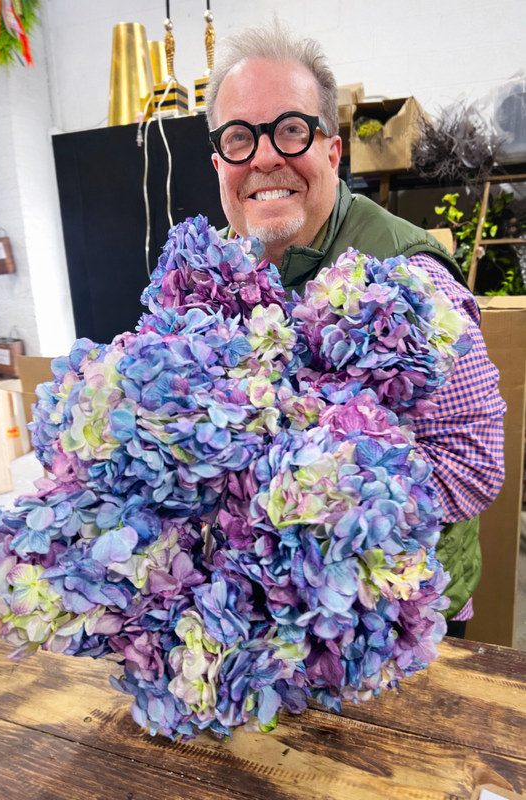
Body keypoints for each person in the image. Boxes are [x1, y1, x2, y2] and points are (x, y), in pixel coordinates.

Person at [204, 18, 506, 638]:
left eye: (290, 130)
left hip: (397, 628)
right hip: (271, 628)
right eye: (239, 138)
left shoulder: (413, 279)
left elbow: (474, 464)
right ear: (219, 166)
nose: (264, 157)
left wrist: (314, 505)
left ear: (332, 151)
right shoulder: (219, 277)